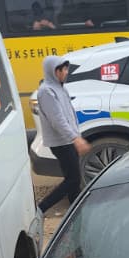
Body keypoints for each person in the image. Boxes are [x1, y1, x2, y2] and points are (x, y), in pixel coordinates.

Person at [34, 55, 91, 214]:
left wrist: (75, 136)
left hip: (68, 139)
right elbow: (57, 120)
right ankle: (41, 208)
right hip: (61, 142)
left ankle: (76, 210)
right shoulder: (46, 91)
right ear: (53, 71)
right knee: (72, 179)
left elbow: (68, 114)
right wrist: (75, 138)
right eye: (62, 69)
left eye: (66, 69)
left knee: (74, 179)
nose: (66, 72)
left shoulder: (60, 87)